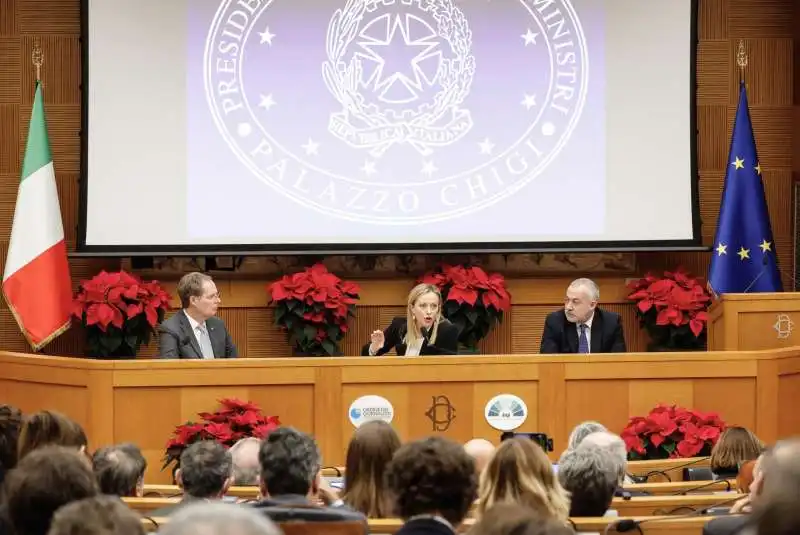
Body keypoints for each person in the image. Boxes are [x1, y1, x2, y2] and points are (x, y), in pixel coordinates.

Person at [362, 283, 460, 356]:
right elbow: (364, 355)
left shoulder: (446, 331)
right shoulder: (399, 327)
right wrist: (374, 348)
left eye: (434, 306)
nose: (429, 311)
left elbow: (448, 369)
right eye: (423, 306)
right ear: (412, 308)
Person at [158, 272, 238, 359]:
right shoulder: (171, 329)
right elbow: (169, 369)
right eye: (211, 297)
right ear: (193, 300)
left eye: (217, 295)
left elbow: (234, 362)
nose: (218, 300)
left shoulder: (218, 325)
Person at [539, 278, 626, 354]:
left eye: (575, 302)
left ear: (592, 305)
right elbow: (548, 363)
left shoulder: (611, 323)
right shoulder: (555, 322)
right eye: (567, 300)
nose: (568, 307)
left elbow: (618, 362)